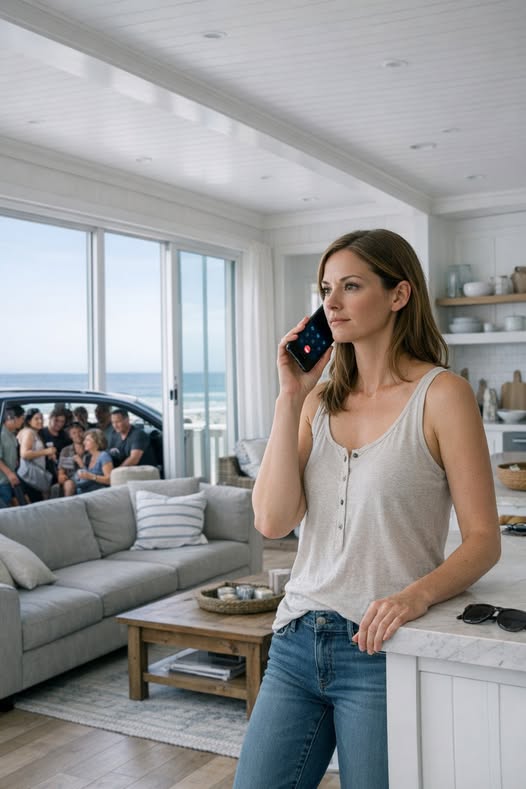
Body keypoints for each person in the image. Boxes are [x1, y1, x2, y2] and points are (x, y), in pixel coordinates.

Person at [233, 229, 501, 789]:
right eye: (326, 288)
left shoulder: (442, 395)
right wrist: (290, 396)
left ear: (398, 294)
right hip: (295, 640)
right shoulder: (316, 401)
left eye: (350, 286)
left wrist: (412, 596)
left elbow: (483, 539)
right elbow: (272, 521)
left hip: (380, 650)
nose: (330, 303)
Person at [17, 408, 57, 502]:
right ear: (29, 421)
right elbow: (24, 454)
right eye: (36, 418)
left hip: (33, 475)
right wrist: (46, 452)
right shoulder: (29, 433)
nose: (40, 421)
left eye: (42, 418)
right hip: (30, 477)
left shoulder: (34, 432)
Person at [0, 406, 25, 507]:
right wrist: (10, 474)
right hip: (2, 481)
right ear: (13, 418)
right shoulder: (1, 434)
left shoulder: (11, 433)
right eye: (21, 418)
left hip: (8, 479)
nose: (23, 421)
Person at [74, 428, 113, 494]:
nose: (84, 442)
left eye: (88, 440)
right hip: (85, 492)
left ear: (97, 442)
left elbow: (109, 480)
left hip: (98, 493)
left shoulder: (104, 456)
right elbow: (88, 475)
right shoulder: (88, 457)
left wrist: (91, 476)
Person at [56, 421, 86, 497]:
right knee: (69, 484)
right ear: (70, 436)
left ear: (84, 432)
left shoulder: (91, 447)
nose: (78, 435)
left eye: (80, 431)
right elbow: (61, 474)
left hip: (88, 478)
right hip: (72, 480)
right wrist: (62, 477)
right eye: (74, 433)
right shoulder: (66, 451)